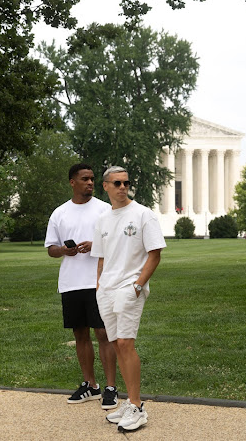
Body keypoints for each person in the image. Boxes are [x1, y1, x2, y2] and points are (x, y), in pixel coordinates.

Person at [91, 166, 166, 432]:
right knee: (117, 344)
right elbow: (101, 256)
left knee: (125, 342)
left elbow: (154, 254)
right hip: (107, 290)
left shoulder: (143, 214)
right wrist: (100, 285)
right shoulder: (102, 219)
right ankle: (128, 402)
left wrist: (137, 285)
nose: (123, 187)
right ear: (106, 186)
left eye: (126, 182)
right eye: (117, 183)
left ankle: (137, 406)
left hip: (130, 288)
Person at [45, 163, 118, 409]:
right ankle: (90, 385)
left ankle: (110, 388)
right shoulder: (59, 213)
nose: (90, 183)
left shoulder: (105, 210)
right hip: (71, 282)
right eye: (85, 179)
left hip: (99, 281)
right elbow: (51, 249)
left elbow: (117, 243)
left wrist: (95, 244)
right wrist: (65, 250)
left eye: (92, 179)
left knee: (103, 334)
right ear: (72, 182)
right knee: (80, 335)